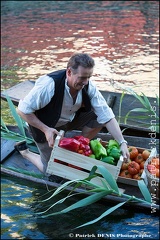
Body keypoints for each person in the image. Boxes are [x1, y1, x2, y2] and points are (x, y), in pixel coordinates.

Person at [16, 52, 130, 177]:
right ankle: (26, 152)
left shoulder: (88, 86)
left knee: (100, 116)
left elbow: (107, 115)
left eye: (89, 77)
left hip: (69, 120)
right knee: (52, 172)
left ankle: (80, 146)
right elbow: (22, 110)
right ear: (69, 72)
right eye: (82, 78)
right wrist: (46, 129)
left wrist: (122, 142)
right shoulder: (49, 85)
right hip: (44, 125)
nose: (86, 82)